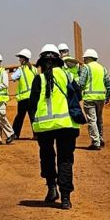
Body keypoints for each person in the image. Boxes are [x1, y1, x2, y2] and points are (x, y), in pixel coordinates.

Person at [28, 44, 80, 209]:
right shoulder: (67, 76)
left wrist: (34, 127)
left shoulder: (39, 79)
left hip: (44, 127)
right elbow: (78, 95)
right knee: (65, 160)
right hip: (66, 125)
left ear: (41, 63)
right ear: (58, 61)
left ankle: (52, 189)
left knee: (47, 157)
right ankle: (65, 198)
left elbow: (32, 106)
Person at [79, 48, 110, 150]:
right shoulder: (102, 68)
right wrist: (107, 98)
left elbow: (81, 83)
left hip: (89, 98)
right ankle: (101, 139)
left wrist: (77, 95)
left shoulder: (87, 68)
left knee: (92, 120)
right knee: (99, 119)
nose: (84, 61)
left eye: (85, 59)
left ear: (88, 59)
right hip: (101, 98)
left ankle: (96, 142)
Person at [11, 49, 35, 138]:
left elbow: (13, 77)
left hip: (23, 98)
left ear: (24, 59)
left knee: (20, 117)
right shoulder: (34, 69)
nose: (19, 60)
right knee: (33, 116)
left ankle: (15, 133)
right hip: (32, 97)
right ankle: (36, 134)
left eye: (20, 58)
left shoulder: (20, 69)